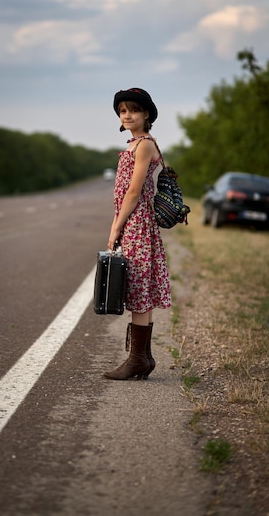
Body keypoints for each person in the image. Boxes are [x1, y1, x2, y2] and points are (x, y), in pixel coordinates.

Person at [104, 87, 171, 380]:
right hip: (131, 221)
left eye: (132, 110)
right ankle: (140, 358)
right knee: (135, 287)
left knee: (140, 288)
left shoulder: (144, 144)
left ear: (146, 114)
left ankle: (139, 359)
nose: (127, 115)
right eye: (122, 110)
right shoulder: (133, 144)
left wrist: (117, 225)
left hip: (138, 222)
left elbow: (133, 191)